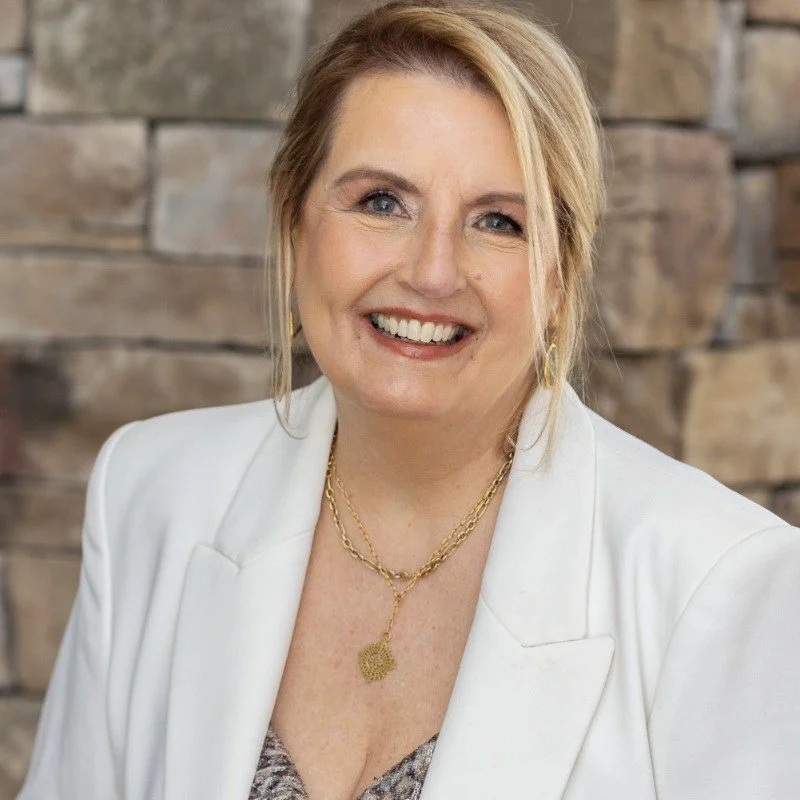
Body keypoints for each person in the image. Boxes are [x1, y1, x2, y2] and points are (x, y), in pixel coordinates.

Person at [17, 1, 800, 798]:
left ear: (561, 278)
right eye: (382, 202)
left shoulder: (718, 581)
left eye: (498, 220)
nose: (432, 272)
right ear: (294, 225)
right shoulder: (149, 493)